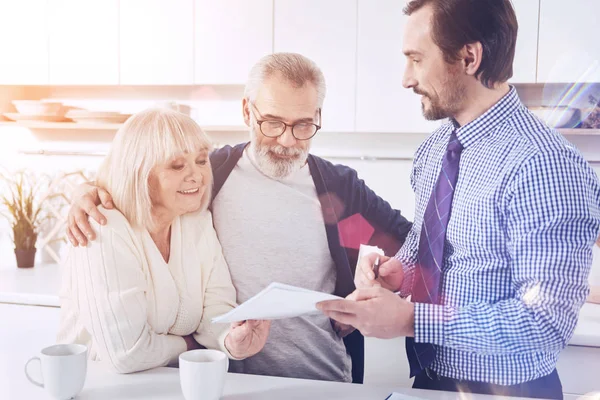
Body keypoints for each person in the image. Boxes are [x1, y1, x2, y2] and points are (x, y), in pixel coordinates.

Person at [64, 53, 413, 383]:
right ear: (247, 111)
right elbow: (147, 177)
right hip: (229, 382)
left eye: (303, 124)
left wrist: (370, 283)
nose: (288, 140)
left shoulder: (338, 190)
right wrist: (88, 190)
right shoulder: (212, 173)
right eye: (273, 123)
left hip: (322, 380)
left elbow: (409, 246)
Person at [317, 0, 600, 398]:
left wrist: (412, 319)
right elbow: (432, 253)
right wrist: (399, 271)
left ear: (469, 57)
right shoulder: (435, 151)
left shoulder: (544, 166)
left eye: (416, 59)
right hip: (431, 381)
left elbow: (545, 322)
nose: (405, 78)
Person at [57, 108, 270, 374]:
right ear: (140, 173)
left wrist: (230, 340)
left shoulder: (196, 222)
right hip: (100, 388)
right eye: (177, 165)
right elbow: (126, 354)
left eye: (202, 160)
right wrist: (191, 345)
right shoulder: (104, 227)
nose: (197, 176)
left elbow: (216, 306)